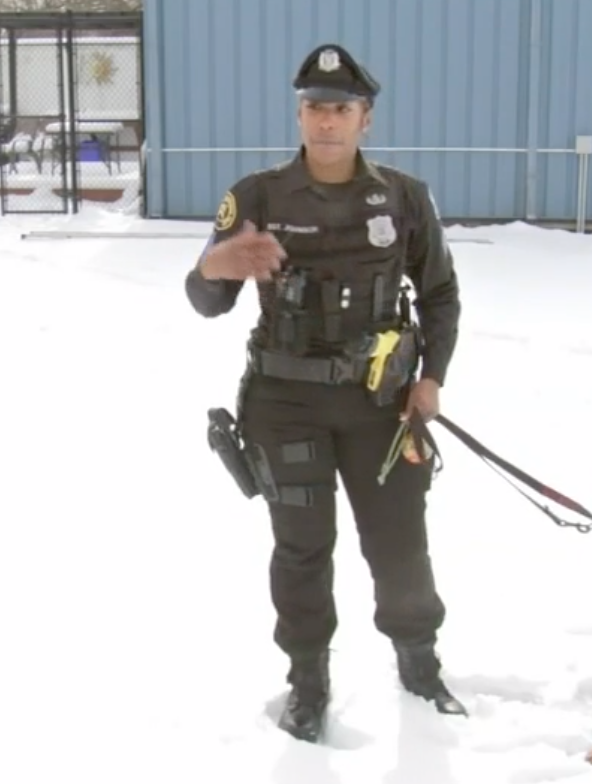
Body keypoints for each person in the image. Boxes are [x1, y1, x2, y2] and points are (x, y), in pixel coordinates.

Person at [183, 42, 464, 743]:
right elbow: (207, 301)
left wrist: (431, 379)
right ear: (300, 115)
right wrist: (214, 267)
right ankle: (307, 680)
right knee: (302, 548)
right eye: (314, 108)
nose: (327, 121)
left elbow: (439, 295)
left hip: (381, 406)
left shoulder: (402, 197)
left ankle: (419, 663)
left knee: (399, 542)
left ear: (366, 118)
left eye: (341, 108)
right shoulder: (258, 196)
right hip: (285, 405)